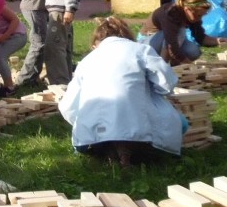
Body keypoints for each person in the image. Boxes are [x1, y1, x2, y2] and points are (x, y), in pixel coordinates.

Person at [58, 17, 186, 167]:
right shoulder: (141, 50)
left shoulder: (87, 60)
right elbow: (167, 83)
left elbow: (68, 106)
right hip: (139, 133)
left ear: (97, 41)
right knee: (179, 122)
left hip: (92, 136)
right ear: (127, 36)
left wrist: (83, 122)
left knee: (107, 129)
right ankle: (128, 151)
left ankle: (111, 149)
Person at [139, 0, 223, 65]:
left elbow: (200, 37)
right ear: (187, 9)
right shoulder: (170, 13)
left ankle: (173, 65)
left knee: (194, 51)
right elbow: (171, 45)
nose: (199, 19)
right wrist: (190, 65)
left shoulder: (193, 16)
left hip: (168, 40)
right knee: (180, 32)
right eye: (198, 15)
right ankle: (162, 66)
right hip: (147, 42)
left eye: (201, 16)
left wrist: (217, 41)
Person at [0, 6, 28, 95]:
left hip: (17, 35)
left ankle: (9, 87)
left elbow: (15, 20)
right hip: (0, 37)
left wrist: (5, 36)